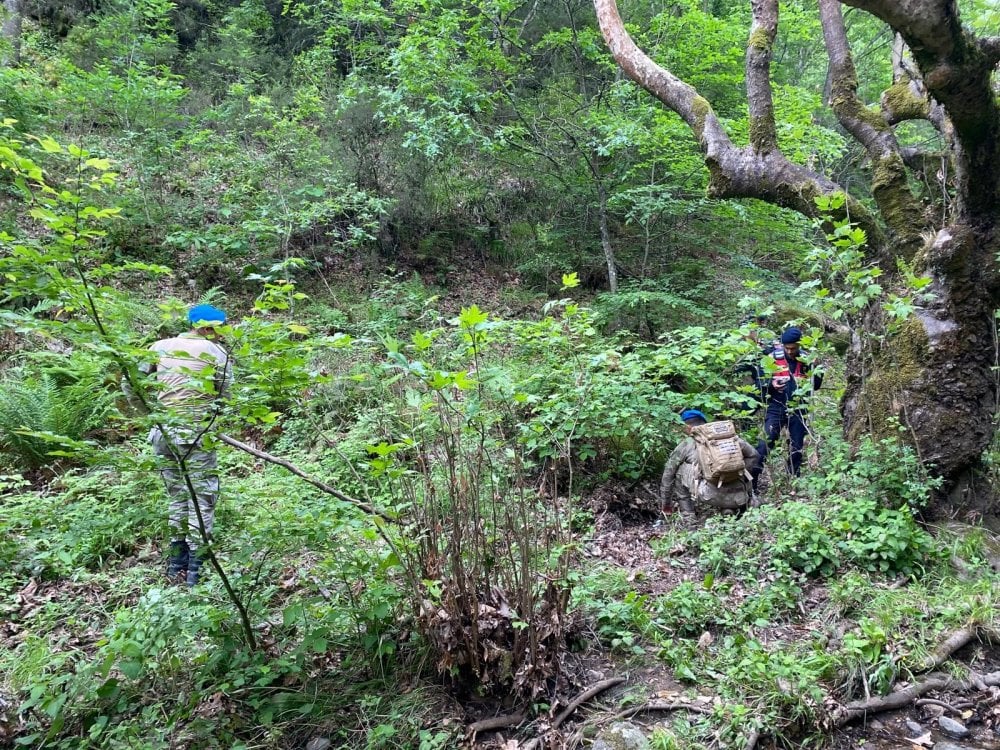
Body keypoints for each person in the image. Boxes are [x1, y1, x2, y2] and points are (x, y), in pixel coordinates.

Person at [126, 304, 233, 586]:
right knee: (202, 498)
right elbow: (225, 395)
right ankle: (195, 569)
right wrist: (210, 419)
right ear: (210, 328)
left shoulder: (159, 346)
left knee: (177, 496)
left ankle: (176, 564)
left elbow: (130, 384)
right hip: (197, 435)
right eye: (219, 330)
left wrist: (149, 416)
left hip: (162, 434)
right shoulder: (218, 353)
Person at [659, 409, 759, 518]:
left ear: (686, 427)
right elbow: (755, 455)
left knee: (678, 472)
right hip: (740, 494)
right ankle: (738, 505)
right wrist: (741, 476)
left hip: (710, 496)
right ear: (705, 423)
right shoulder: (731, 439)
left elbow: (668, 476)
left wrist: (666, 504)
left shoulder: (686, 444)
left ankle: (689, 517)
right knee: (740, 465)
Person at [755, 326, 822, 479]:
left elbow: (816, 385)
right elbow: (758, 386)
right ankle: (752, 482)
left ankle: (793, 479)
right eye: (787, 348)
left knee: (797, 447)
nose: (790, 351)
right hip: (775, 407)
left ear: (800, 345)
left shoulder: (808, 359)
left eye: (793, 348)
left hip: (798, 408)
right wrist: (771, 385)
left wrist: (816, 367)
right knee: (764, 445)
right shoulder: (771, 358)